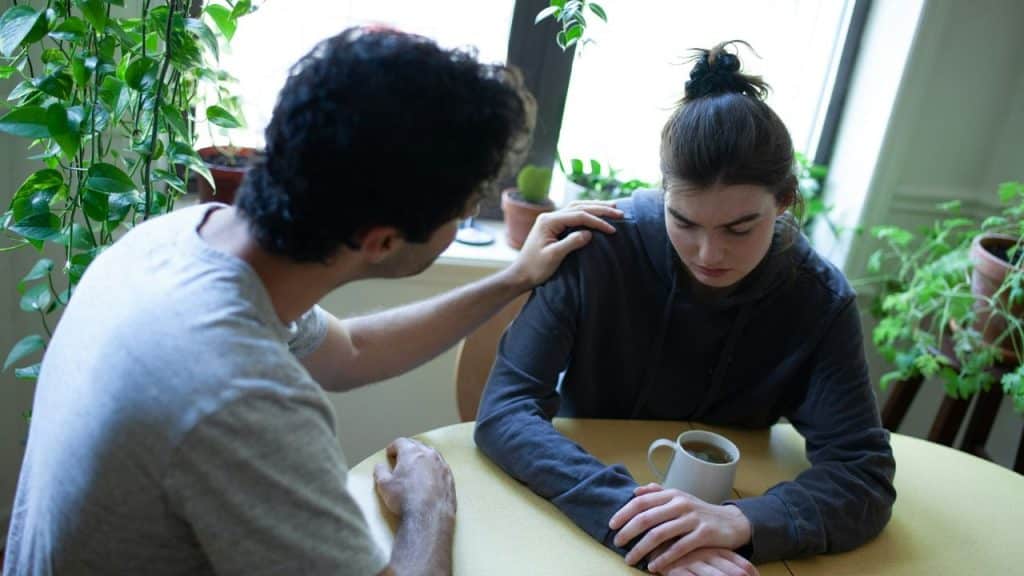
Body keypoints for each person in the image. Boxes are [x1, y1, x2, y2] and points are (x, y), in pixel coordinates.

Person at [2, 28, 622, 576]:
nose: (465, 218)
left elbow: (349, 351)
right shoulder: (240, 397)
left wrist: (513, 277)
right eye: (463, 211)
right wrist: (428, 508)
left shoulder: (182, 240)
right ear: (381, 240)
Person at [475, 41, 896, 576]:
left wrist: (741, 522)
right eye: (685, 222)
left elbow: (864, 475)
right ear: (662, 191)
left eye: (740, 228)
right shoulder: (600, 247)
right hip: (583, 515)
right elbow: (505, 412)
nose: (708, 254)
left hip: (728, 527)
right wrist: (645, 523)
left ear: (784, 201)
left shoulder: (819, 298)